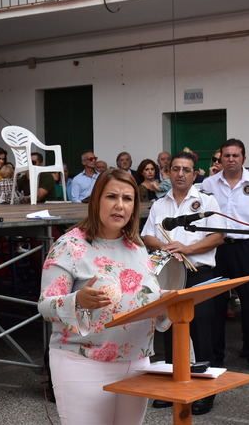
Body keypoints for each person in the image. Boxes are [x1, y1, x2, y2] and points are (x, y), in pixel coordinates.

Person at [39, 168, 166, 425]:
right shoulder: (69, 245)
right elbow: (45, 306)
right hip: (83, 361)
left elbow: (147, 296)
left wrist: (170, 306)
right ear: (96, 199)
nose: (119, 206)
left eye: (127, 199)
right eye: (112, 197)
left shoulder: (137, 245)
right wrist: (78, 301)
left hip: (137, 360)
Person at [141, 152, 225, 415]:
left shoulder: (207, 201)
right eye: (175, 169)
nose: (180, 174)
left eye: (186, 170)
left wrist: (187, 248)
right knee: (170, 328)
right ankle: (172, 385)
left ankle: (204, 392)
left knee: (201, 330)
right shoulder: (159, 204)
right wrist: (167, 247)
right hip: (169, 271)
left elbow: (217, 237)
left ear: (195, 173)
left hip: (198, 271)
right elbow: (147, 237)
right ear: (168, 173)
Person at [202, 138, 249, 375]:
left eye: (236, 155)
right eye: (227, 156)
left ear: (244, 158)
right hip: (219, 249)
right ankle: (215, 357)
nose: (231, 159)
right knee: (216, 305)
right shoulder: (209, 184)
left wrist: (248, 235)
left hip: (248, 248)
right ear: (220, 158)